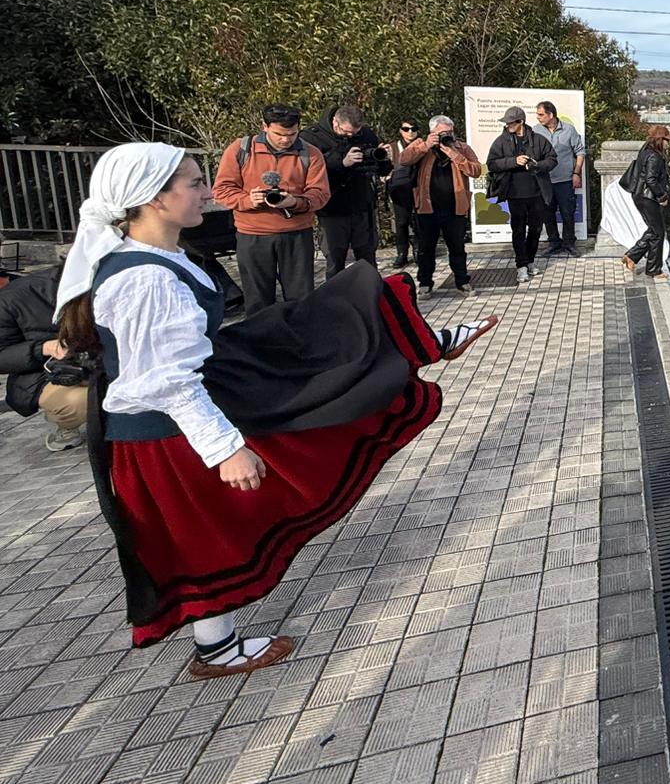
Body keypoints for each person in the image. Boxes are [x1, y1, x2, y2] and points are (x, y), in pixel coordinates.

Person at [51, 143, 497, 674]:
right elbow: (167, 383)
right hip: (163, 430)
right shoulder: (144, 279)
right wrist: (226, 450)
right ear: (151, 199)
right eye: (192, 183)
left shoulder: (157, 257)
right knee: (213, 533)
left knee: (291, 333)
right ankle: (216, 651)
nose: (206, 192)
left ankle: (419, 342)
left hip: (187, 410)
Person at [212, 104, 331, 315]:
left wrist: (295, 202)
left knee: (301, 298)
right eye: (279, 134)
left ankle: (302, 341)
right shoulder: (241, 149)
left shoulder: (310, 153)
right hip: (253, 235)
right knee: (257, 298)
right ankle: (262, 342)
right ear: (264, 126)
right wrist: (248, 200)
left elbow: (320, 194)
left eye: (292, 134)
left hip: (296, 234)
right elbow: (221, 190)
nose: (286, 139)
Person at [0, 265, 90, 451]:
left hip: (96, 361)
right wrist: (43, 348)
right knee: (81, 401)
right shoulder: (9, 299)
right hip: (45, 373)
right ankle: (66, 425)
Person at [398, 116, 484, 297]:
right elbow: (404, 159)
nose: (447, 135)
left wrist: (455, 155)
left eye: (450, 132)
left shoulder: (461, 147)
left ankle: (462, 282)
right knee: (426, 248)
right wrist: (425, 145)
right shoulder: (422, 145)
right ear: (432, 132)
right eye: (442, 133)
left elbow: (476, 170)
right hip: (427, 207)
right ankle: (425, 283)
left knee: (457, 248)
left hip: (455, 207)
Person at [303, 105, 384, 281]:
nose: (350, 137)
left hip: (362, 205)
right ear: (335, 122)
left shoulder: (366, 135)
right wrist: (341, 162)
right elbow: (307, 171)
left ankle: (370, 297)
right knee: (335, 260)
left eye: (354, 133)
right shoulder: (311, 137)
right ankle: (334, 302)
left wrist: (384, 159)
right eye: (346, 133)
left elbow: (381, 169)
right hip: (332, 209)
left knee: (368, 258)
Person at [486, 107, 558, 285]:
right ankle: (521, 266)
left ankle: (530, 261)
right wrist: (513, 161)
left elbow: (552, 159)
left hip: (537, 193)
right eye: (507, 122)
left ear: (521, 122)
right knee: (518, 231)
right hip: (514, 194)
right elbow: (492, 164)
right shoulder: (501, 141)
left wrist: (537, 166)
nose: (508, 125)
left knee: (535, 229)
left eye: (511, 122)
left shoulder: (538, 140)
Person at [536, 101, 587, 256]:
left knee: (567, 213)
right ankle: (554, 243)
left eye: (541, 114)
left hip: (565, 180)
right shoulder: (535, 131)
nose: (538, 117)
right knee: (547, 213)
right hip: (544, 181)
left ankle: (569, 243)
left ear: (551, 115)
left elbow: (580, 152)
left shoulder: (569, 130)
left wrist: (577, 173)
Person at [623, 126, 670, 279]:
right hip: (648, 197)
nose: (668, 144)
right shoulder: (654, 156)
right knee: (657, 232)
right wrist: (662, 196)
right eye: (666, 141)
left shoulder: (644, 152)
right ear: (660, 139)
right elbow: (651, 179)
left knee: (654, 230)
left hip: (641, 195)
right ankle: (651, 268)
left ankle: (636, 259)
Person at [386, 120, 423, 269]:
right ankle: (402, 253)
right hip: (399, 190)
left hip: (418, 188)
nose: (410, 132)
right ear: (400, 130)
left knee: (419, 221)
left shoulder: (423, 145)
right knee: (401, 222)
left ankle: (418, 250)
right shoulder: (393, 147)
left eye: (413, 129)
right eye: (406, 129)